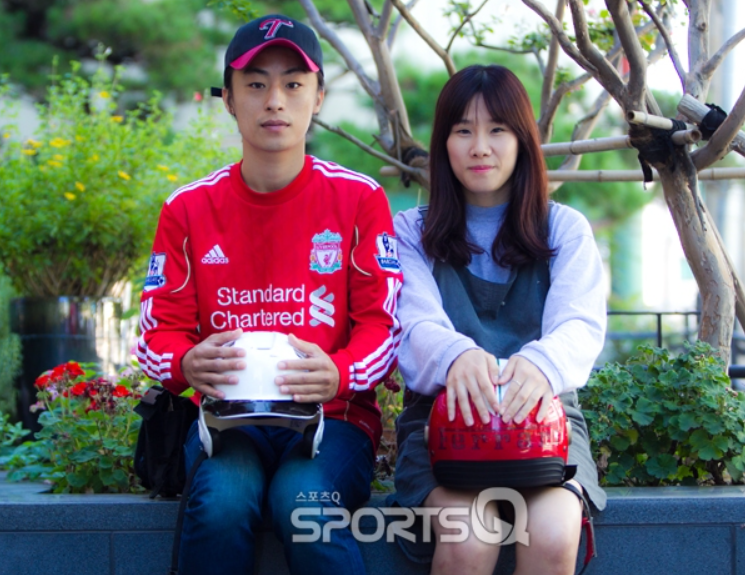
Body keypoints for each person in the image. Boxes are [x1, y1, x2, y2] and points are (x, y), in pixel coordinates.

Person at [137, 14, 403, 575]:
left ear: (318, 97)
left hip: (334, 418)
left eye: (293, 84)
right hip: (225, 420)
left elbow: (383, 325)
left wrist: (340, 372)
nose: (275, 101)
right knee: (224, 502)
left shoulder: (359, 199)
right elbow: (156, 333)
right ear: (230, 100)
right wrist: (185, 362)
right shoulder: (187, 208)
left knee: (304, 502)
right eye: (256, 84)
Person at [391, 64, 607, 575]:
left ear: (522, 140)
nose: (480, 147)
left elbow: (580, 323)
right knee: (470, 536)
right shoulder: (410, 232)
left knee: (553, 533)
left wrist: (540, 364)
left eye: (497, 130)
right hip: (441, 425)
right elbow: (411, 323)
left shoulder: (564, 229)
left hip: (546, 422)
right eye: (463, 130)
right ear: (443, 143)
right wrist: (456, 357)